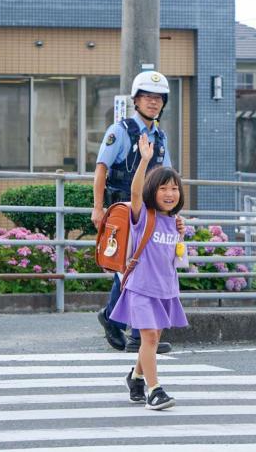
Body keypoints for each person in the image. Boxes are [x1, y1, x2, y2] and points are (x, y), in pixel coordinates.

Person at [92, 70, 175, 354]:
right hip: (121, 210)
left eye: (158, 98)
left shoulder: (160, 137)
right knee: (128, 269)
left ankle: (114, 318)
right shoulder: (120, 131)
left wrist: (171, 212)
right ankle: (138, 334)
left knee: (138, 268)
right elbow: (101, 168)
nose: (153, 102)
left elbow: (166, 176)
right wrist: (98, 208)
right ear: (136, 100)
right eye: (147, 97)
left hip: (148, 213)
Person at [110, 134, 188, 410]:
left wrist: (182, 234)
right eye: (163, 188)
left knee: (153, 339)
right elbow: (134, 193)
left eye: (174, 189)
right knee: (150, 337)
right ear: (153, 191)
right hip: (141, 287)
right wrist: (144, 160)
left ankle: (136, 378)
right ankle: (155, 390)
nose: (170, 193)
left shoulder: (174, 222)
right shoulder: (144, 215)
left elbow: (177, 258)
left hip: (165, 289)